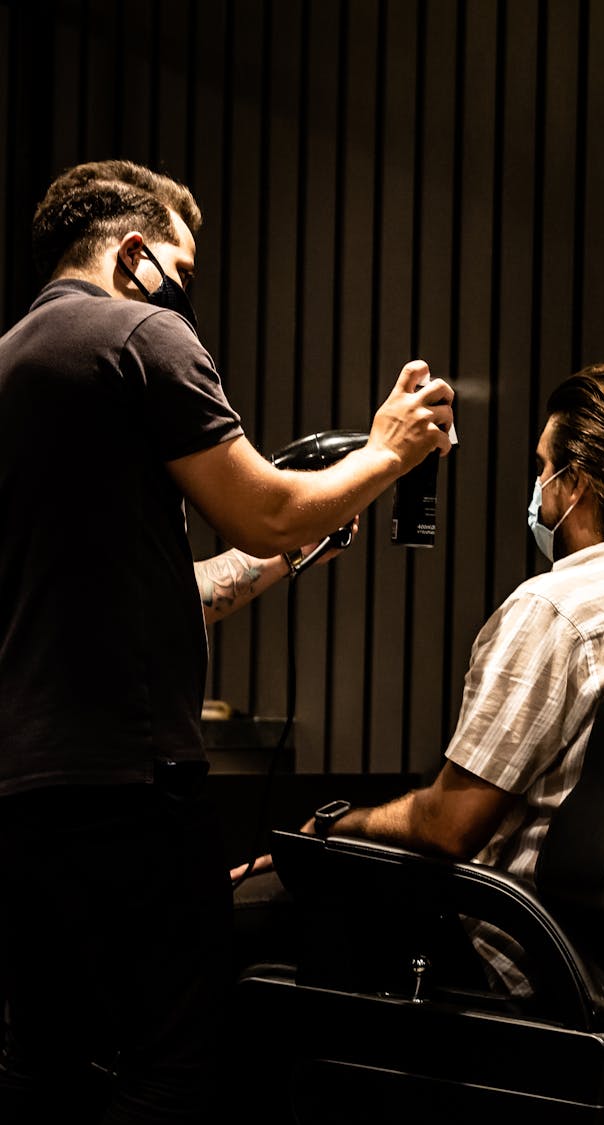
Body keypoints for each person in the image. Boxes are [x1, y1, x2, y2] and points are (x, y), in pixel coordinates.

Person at [0, 158, 453, 1124]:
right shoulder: (141, 333)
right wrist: (392, 451)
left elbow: (175, 587)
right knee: (173, 1061)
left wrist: (293, 548)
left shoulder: (13, 365)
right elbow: (266, 510)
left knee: (41, 1058)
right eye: (181, 266)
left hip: (20, 794)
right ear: (134, 255)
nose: (185, 292)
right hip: (126, 787)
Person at [283, 364, 604, 997]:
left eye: (542, 468)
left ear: (574, 484)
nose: (537, 489)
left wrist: (332, 825)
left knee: (261, 918)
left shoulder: (556, 610)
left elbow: (449, 826)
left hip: (528, 962)